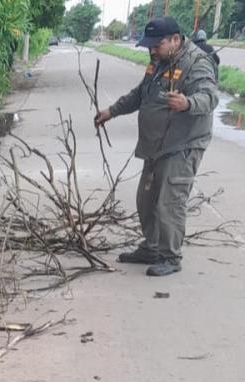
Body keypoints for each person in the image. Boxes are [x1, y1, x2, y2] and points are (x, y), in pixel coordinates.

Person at [94, 17, 219, 277]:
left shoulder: (196, 63)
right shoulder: (158, 63)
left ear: (175, 39)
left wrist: (188, 103)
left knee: (169, 203)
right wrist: (111, 111)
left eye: (157, 44)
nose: (152, 50)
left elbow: (209, 96)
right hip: (155, 145)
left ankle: (170, 257)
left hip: (182, 144)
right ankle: (151, 248)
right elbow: (142, 94)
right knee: (146, 200)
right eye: (149, 45)